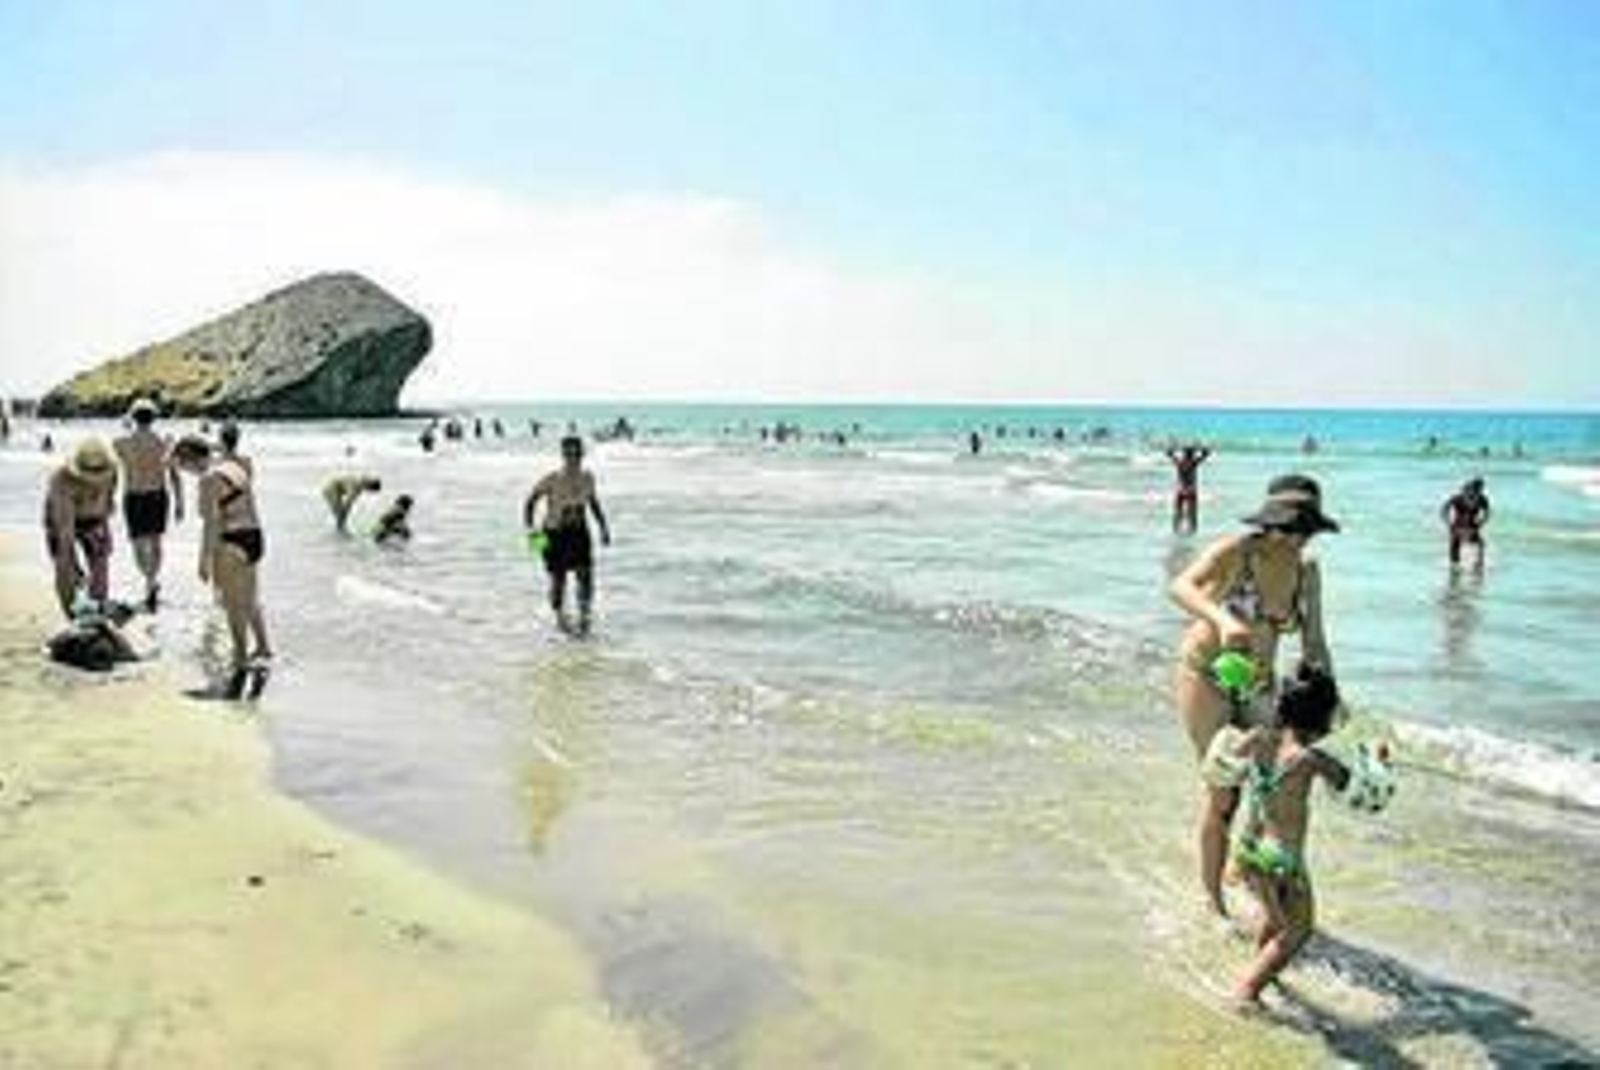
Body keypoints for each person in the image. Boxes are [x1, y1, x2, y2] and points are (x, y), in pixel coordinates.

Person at [1168, 473, 1339, 917]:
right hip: (1207, 674)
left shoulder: (1307, 572)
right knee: (1224, 791)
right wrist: (1222, 620)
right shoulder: (1237, 552)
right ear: (1273, 522)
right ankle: (1212, 899)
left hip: (1259, 684)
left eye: (1307, 530)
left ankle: (1241, 869)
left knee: (1272, 784)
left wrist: (1330, 693)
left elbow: (1314, 641)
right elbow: (1180, 586)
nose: (1298, 539)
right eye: (1292, 527)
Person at [1209, 664, 1349, 1009]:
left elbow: (1229, 754)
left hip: (1251, 850)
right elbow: (1345, 780)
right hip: (1283, 860)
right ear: (1323, 722)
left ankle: (1261, 974)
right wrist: (1374, 762)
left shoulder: (1260, 739)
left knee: (1274, 920)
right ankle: (1247, 990)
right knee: (1297, 930)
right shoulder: (1309, 759)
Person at [172, 434, 271, 697]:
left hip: (231, 540)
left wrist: (204, 561)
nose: (184, 472)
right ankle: (263, 647)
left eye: (182, 466)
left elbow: (211, 524)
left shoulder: (208, 479)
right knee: (249, 598)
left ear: (190, 459)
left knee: (231, 603)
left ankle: (240, 657)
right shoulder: (233, 466)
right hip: (255, 536)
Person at [523, 434, 611, 635]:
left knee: (586, 578)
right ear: (563, 454)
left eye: (577, 452)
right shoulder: (552, 479)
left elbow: (593, 503)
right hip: (554, 534)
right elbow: (530, 502)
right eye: (569, 452)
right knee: (558, 582)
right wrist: (532, 533)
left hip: (580, 533)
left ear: (582, 453)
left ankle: (584, 619)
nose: (573, 456)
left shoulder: (588, 477)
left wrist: (603, 528)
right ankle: (559, 621)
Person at [113, 398, 184, 610]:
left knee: (137, 545)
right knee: (156, 543)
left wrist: (127, 424)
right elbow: (175, 476)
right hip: (158, 495)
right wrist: (180, 503)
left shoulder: (121, 443)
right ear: (154, 419)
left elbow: (112, 474)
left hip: (134, 496)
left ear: (133, 417)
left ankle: (149, 581)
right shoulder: (165, 443)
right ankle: (151, 582)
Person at [42, 438, 118, 619]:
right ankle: (71, 615)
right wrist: (71, 563)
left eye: (100, 471)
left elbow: (108, 504)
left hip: (94, 519)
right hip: (60, 522)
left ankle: (96, 612)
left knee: (101, 564)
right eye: (91, 472)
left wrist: (106, 532)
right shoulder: (62, 480)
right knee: (65, 567)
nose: (96, 477)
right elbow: (64, 530)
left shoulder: (112, 471)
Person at [1441, 477, 1491, 571]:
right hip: (1458, 526)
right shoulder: (1458, 498)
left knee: (1479, 545)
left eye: (1480, 489)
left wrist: (1481, 522)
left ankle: (1477, 565)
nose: (1479, 491)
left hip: (1470, 526)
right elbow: (1444, 510)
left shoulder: (1482, 499)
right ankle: (1455, 568)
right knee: (1456, 547)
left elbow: (1487, 513)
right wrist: (1448, 522)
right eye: (1477, 489)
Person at [1164, 441, 1212, 535]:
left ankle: (1176, 531)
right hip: (1191, 490)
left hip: (1181, 490)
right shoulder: (1194, 463)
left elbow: (1168, 453)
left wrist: (1173, 447)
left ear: (1184, 454)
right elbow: (1206, 453)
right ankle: (1193, 532)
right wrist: (1199, 447)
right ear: (1192, 454)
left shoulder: (1179, 462)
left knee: (1178, 512)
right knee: (1192, 513)